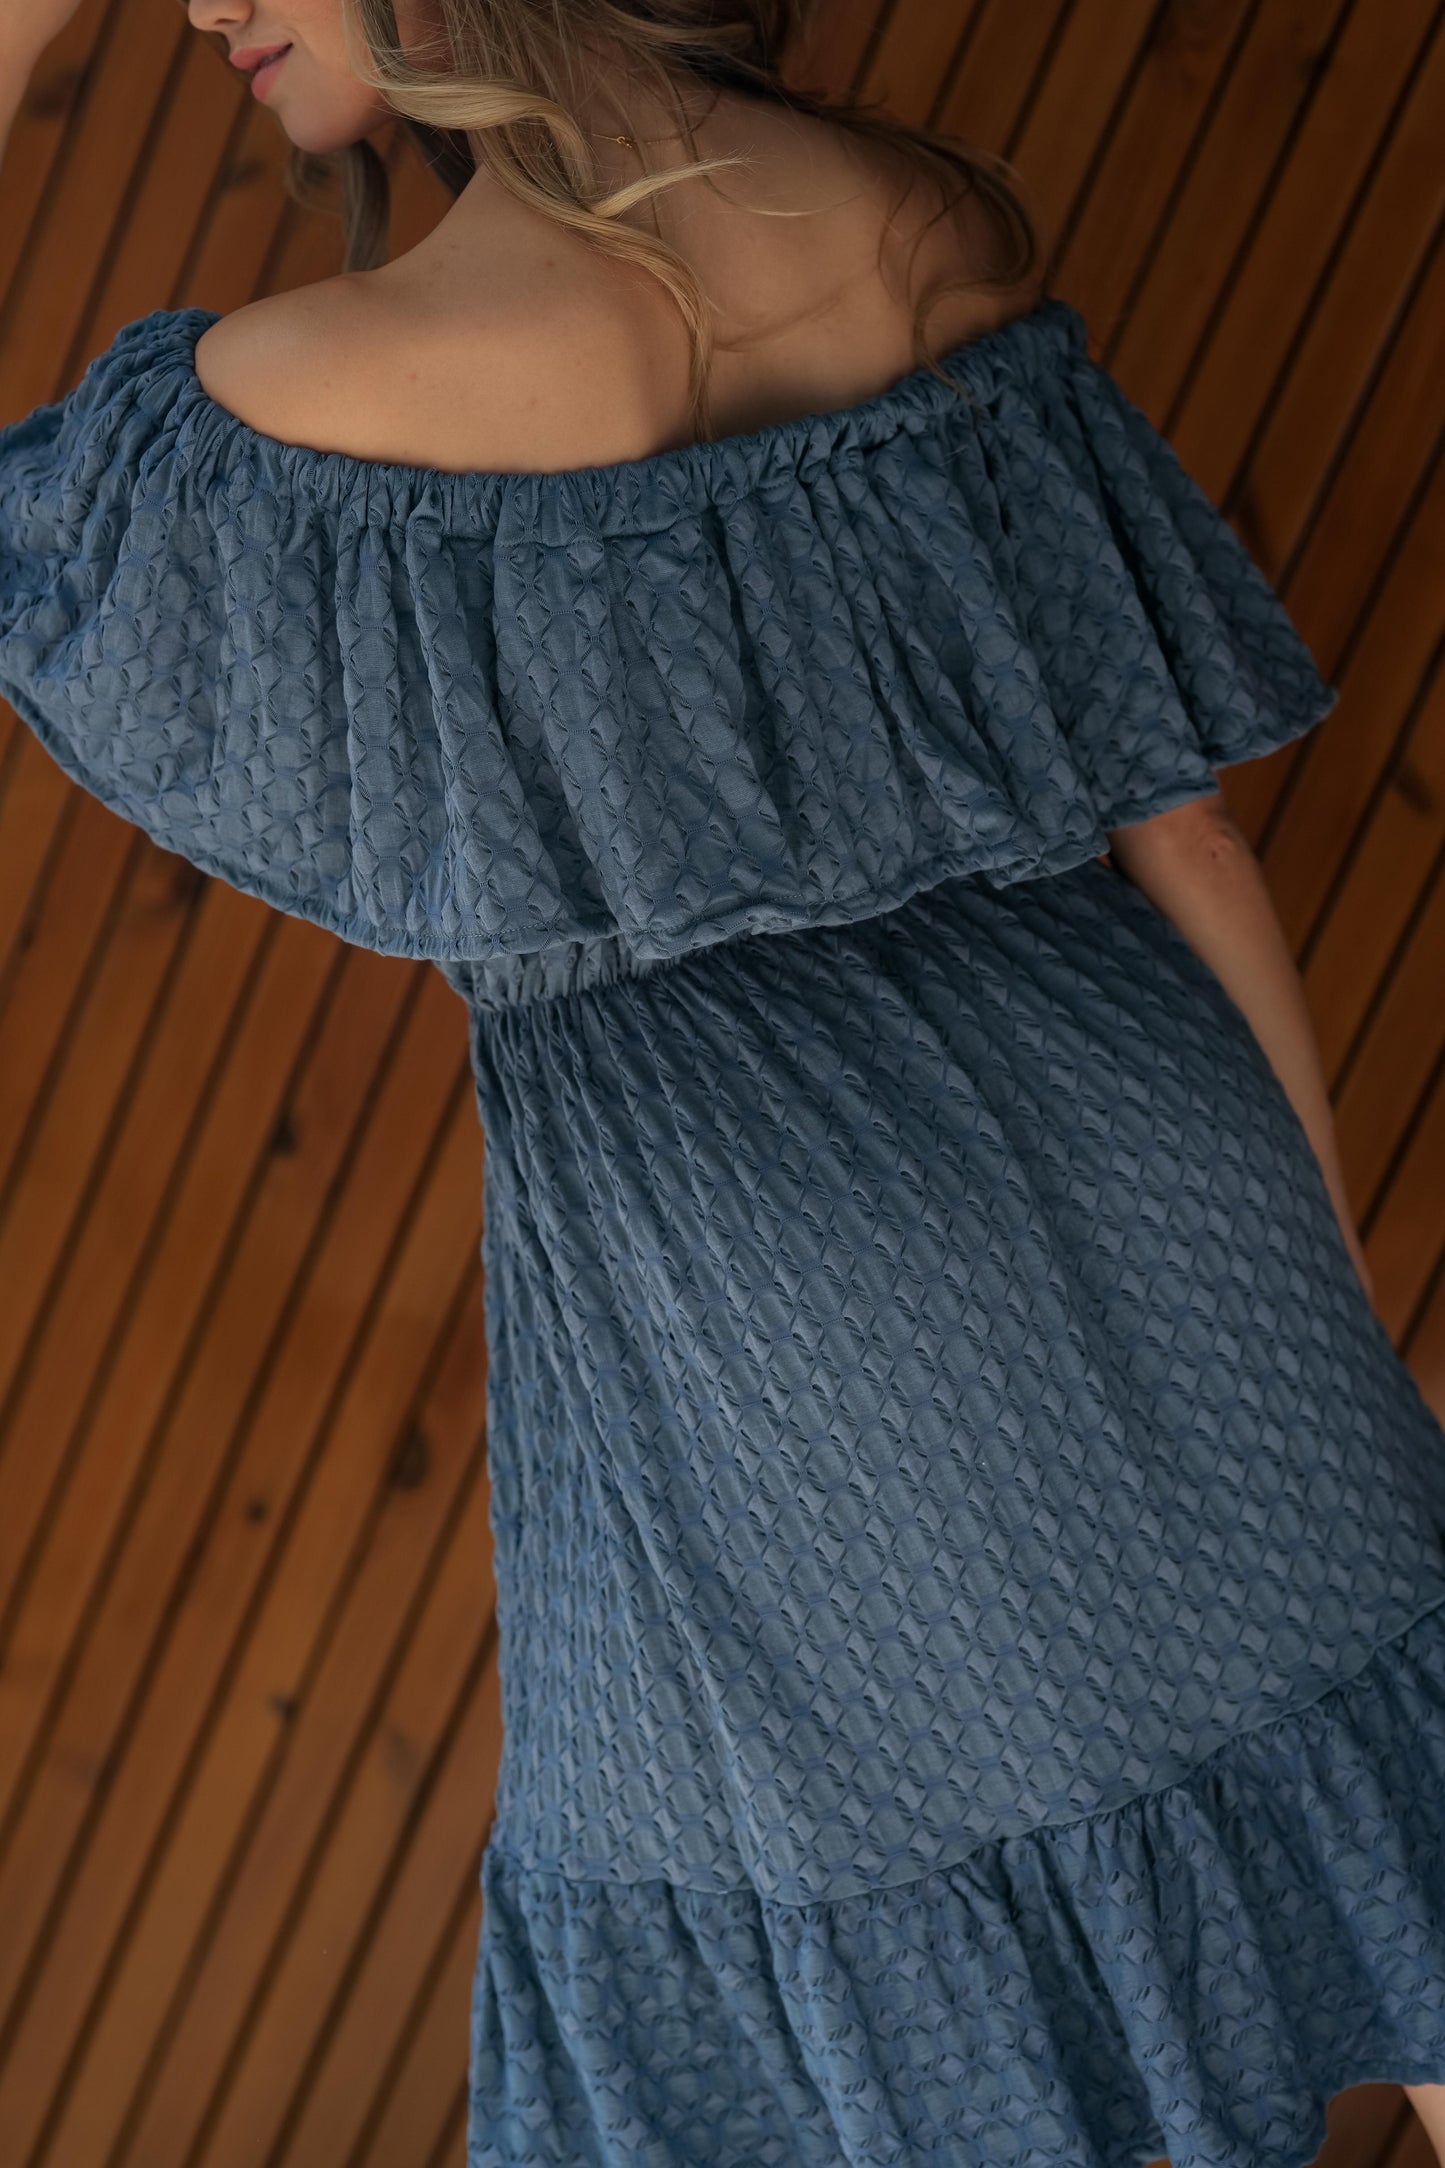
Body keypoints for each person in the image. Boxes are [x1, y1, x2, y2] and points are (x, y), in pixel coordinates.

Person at [1, 3, 1443, 2164]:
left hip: (755, 1364)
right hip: (1176, 1203)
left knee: (872, 2031)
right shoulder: (916, 221)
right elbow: (1192, 840)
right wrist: (1325, 1336)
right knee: (1393, 1821)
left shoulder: (309, 398)